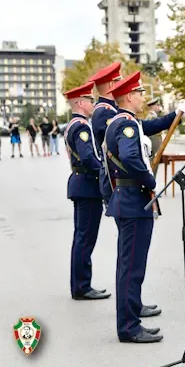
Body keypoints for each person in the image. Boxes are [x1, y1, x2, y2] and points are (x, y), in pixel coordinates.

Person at [103, 71, 185, 343]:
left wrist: (177, 113)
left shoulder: (125, 121)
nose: (143, 98)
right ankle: (129, 327)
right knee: (131, 267)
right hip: (133, 199)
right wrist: (149, 178)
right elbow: (131, 156)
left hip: (130, 198)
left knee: (130, 265)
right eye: (140, 93)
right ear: (130, 96)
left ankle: (131, 318)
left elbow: (151, 127)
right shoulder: (126, 124)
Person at [63, 82, 111, 301]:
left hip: (80, 184)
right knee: (85, 238)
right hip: (87, 186)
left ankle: (80, 284)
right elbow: (89, 158)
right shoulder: (81, 127)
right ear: (80, 103)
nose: (93, 103)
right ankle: (82, 286)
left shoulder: (74, 124)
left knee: (81, 237)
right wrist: (105, 171)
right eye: (90, 100)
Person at [89, 61, 122, 203]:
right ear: (111, 85)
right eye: (119, 81)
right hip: (114, 175)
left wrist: (175, 116)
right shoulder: (104, 112)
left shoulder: (112, 109)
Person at [144, 97, 163, 176]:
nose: (159, 107)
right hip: (153, 151)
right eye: (157, 105)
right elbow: (153, 137)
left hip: (153, 151)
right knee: (152, 172)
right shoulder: (152, 118)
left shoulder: (152, 117)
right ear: (153, 106)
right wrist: (156, 151)